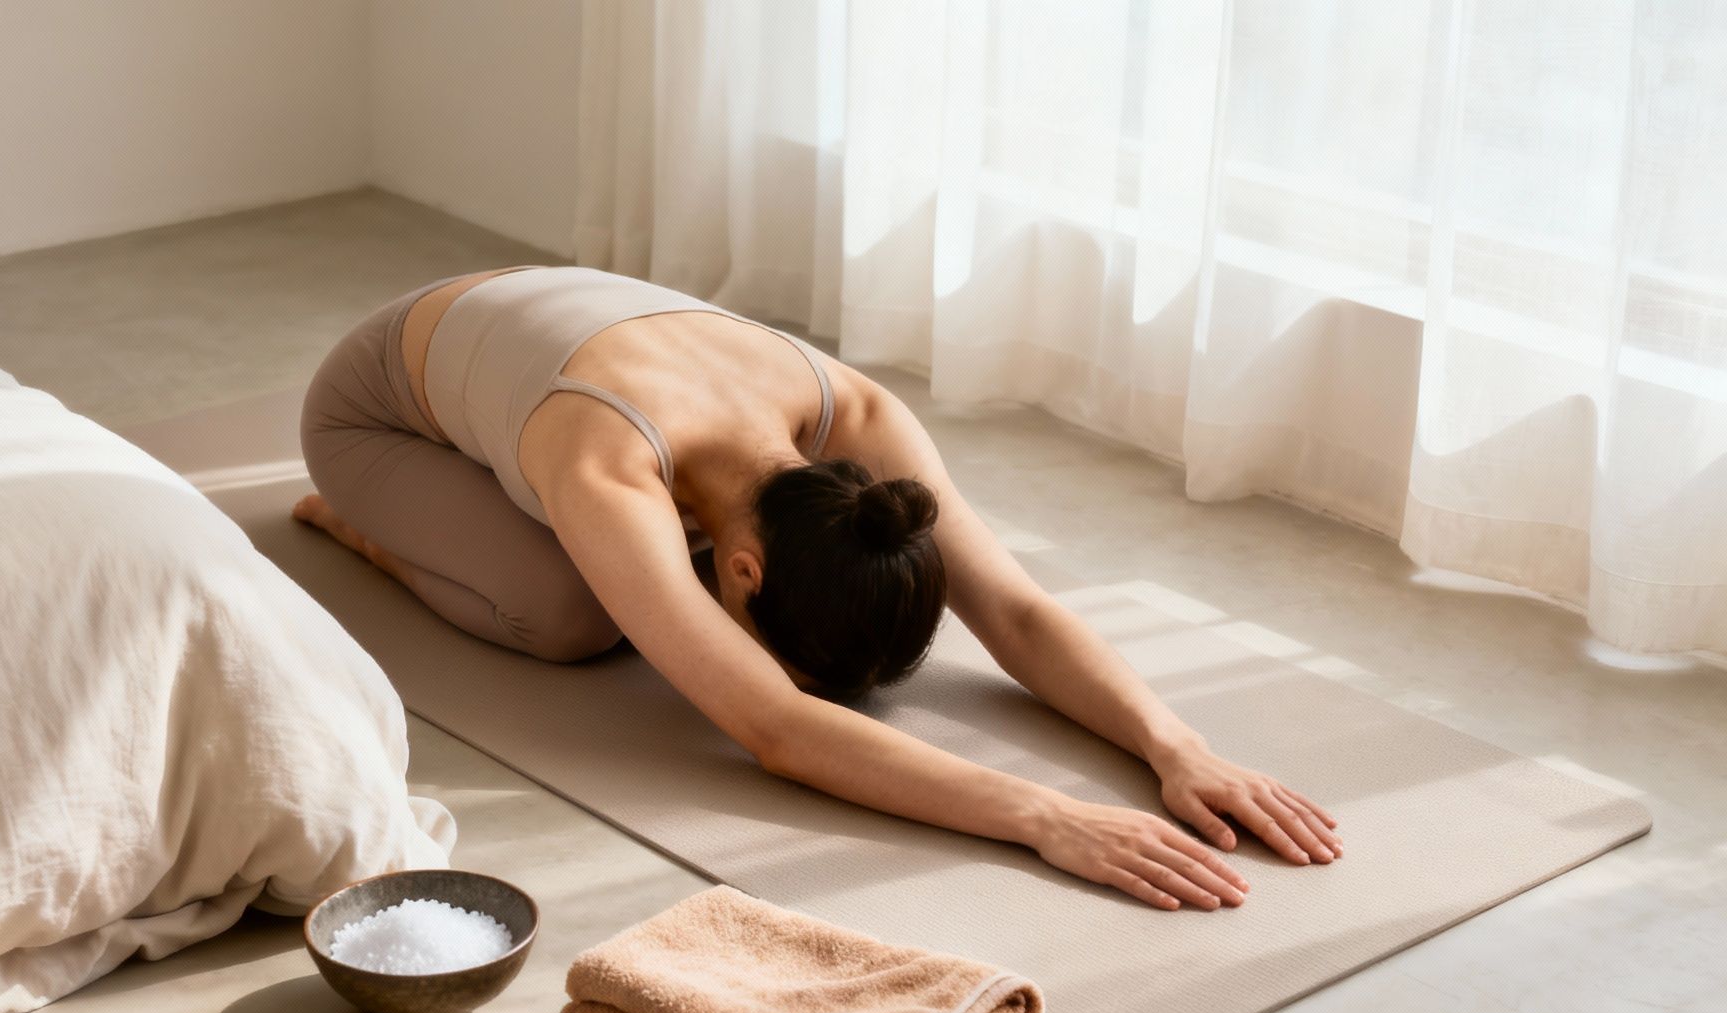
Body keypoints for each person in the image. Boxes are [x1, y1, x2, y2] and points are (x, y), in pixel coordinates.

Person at [295, 265, 1341, 911]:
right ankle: (366, 530)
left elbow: (1015, 610)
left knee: (626, 600)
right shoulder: (608, 467)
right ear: (740, 569)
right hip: (378, 407)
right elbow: (777, 729)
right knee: (568, 618)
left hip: (545, 336)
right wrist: (1044, 815)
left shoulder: (861, 426)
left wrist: (1177, 748)